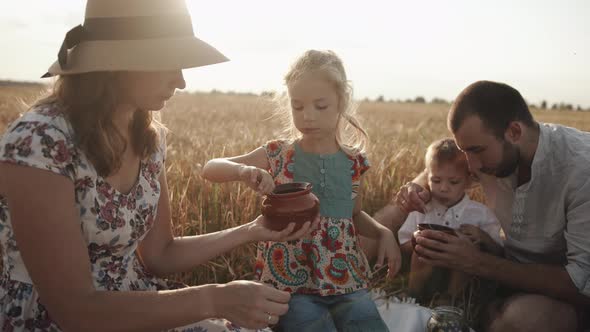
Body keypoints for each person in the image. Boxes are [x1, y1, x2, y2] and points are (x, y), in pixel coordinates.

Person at [0, 1, 317, 331]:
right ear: (120, 62)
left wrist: (251, 231)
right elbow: (75, 310)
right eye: (171, 63)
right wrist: (215, 299)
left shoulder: (148, 138)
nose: (181, 81)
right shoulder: (39, 141)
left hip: (143, 306)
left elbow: (160, 255)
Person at [202, 50, 400, 332]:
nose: (307, 116)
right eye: (298, 106)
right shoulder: (278, 154)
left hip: (346, 284)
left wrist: (383, 232)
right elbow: (210, 168)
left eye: (320, 106)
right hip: (290, 288)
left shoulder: (354, 163)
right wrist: (243, 172)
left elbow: (352, 215)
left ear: (341, 102)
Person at [392, 80, 590, 331]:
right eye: (465, 153)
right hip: (506, 275)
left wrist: (476, 262)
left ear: (515, 132)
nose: (471, 167)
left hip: (566, 298)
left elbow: (579, 284)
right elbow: (441, 168)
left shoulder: (581, 170)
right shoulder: (494, 155)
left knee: (522, 319)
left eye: (476, 151)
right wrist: (415, 189)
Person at [393, 138, 503, 300]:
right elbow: (403, 244)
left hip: (462, 277)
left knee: (463, 250)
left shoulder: (480, 214)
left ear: (468, 181)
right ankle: (413, 295)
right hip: (426, 275)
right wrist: (421, 241)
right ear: (427, 176)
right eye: (436, 180)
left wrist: (483, 238)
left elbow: (499, 253)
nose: (443, 188)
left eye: (453, 182)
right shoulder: (422, 208)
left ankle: (450, 302)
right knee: (424, 247)